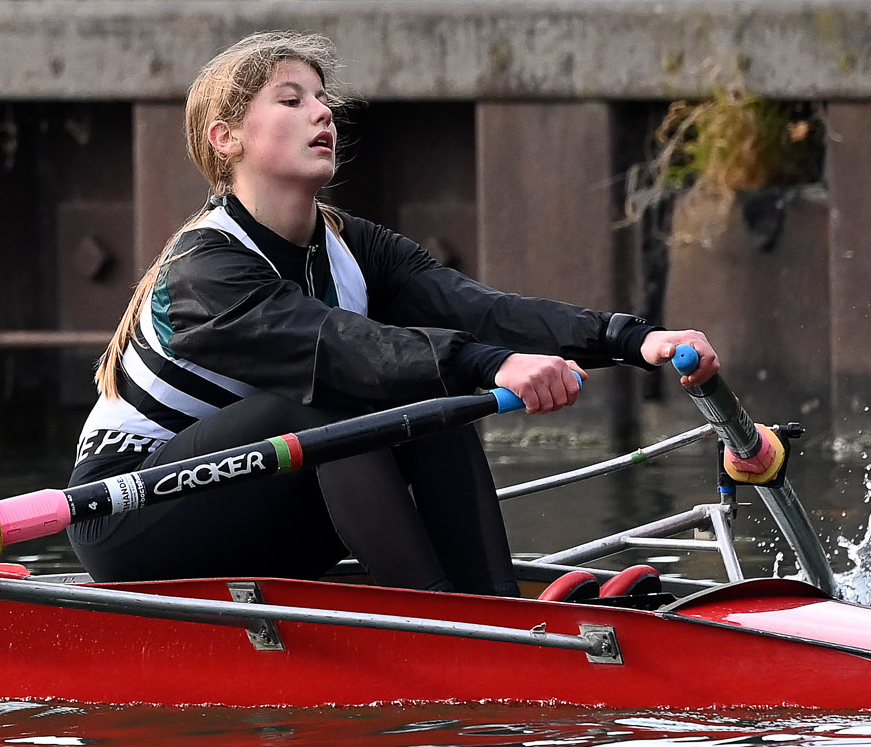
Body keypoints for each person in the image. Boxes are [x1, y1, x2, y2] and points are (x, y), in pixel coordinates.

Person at [68, 31, 719, 596]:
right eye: (292, 101)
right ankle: (440, 623)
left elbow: (481, 310)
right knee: (336, 397)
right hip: (131, 517)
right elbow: (330, 346)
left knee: (426, 392)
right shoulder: (203, 271)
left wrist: (632, 340)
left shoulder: (354, 246)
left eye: (323, 100)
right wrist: (491, 367)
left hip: (261, 502)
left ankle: (494, 612)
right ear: (226, 137)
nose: (321, 113)